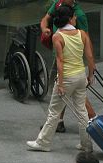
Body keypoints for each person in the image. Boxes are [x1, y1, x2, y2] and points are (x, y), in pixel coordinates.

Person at [27, 4, 94, 153]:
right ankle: (86, 144)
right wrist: (90, 75)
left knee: (54, 112)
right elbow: (89, 56)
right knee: (82, 111)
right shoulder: (82, 34)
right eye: (74, 16)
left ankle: (43, 142)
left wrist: (61, 84)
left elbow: (60, 61)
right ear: (69, 19)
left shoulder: (58, 36)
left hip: (67, 78)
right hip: (80, 76)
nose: (76, 18)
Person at [39, 0, 95, 132]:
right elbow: (45, 19)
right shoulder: (58, 4)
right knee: (73, 95)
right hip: (62, 56)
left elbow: (87, 39)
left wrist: (92, 66)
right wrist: (45, 29)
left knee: (68, 93)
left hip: (70, 60)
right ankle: (61, 122)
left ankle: (94, 119)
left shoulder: (79, 15)